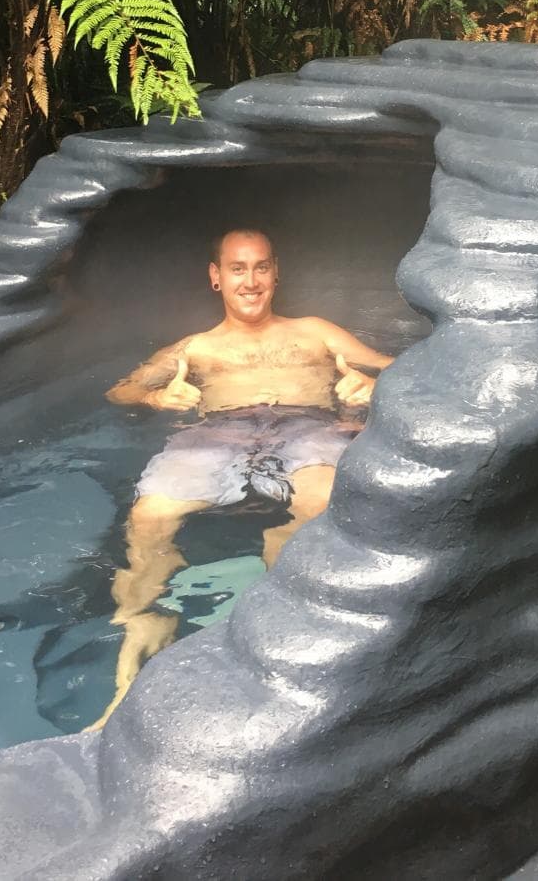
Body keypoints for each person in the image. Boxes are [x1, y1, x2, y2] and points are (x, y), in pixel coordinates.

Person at [86, 227, 393, 729]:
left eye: (260, 267)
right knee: (151, 514)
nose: (250, 282)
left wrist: (374, 384)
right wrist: (156, 398)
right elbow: (121, 391)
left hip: (307, 425)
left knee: (321, 501)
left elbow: (401, 367)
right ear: (216, 277)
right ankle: (142, 624)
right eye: (237, 269)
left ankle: (281, 630)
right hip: (218, 432)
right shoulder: (195, 348)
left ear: (276, 273)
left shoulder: (316, 332)